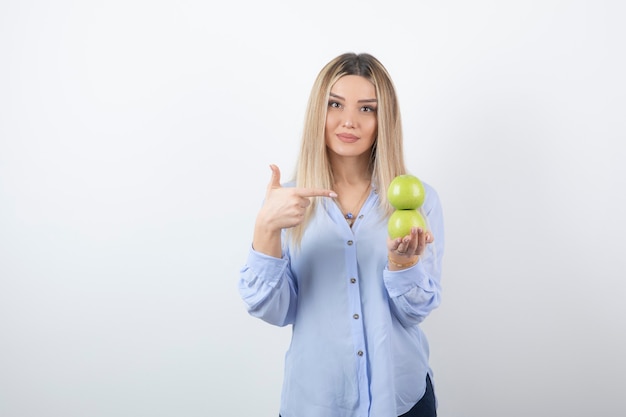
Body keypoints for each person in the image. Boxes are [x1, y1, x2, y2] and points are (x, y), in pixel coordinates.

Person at [238, 52, 445, 417]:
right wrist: (265, 228)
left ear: (385, 120)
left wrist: (401, 263)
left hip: (401, 399)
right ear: (319, 110)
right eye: (335, 104)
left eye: (367, 109)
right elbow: (274, 310)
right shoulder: (288, 202)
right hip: (316, 402)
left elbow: (415, 312)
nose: (349, 121)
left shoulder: (418, 201)